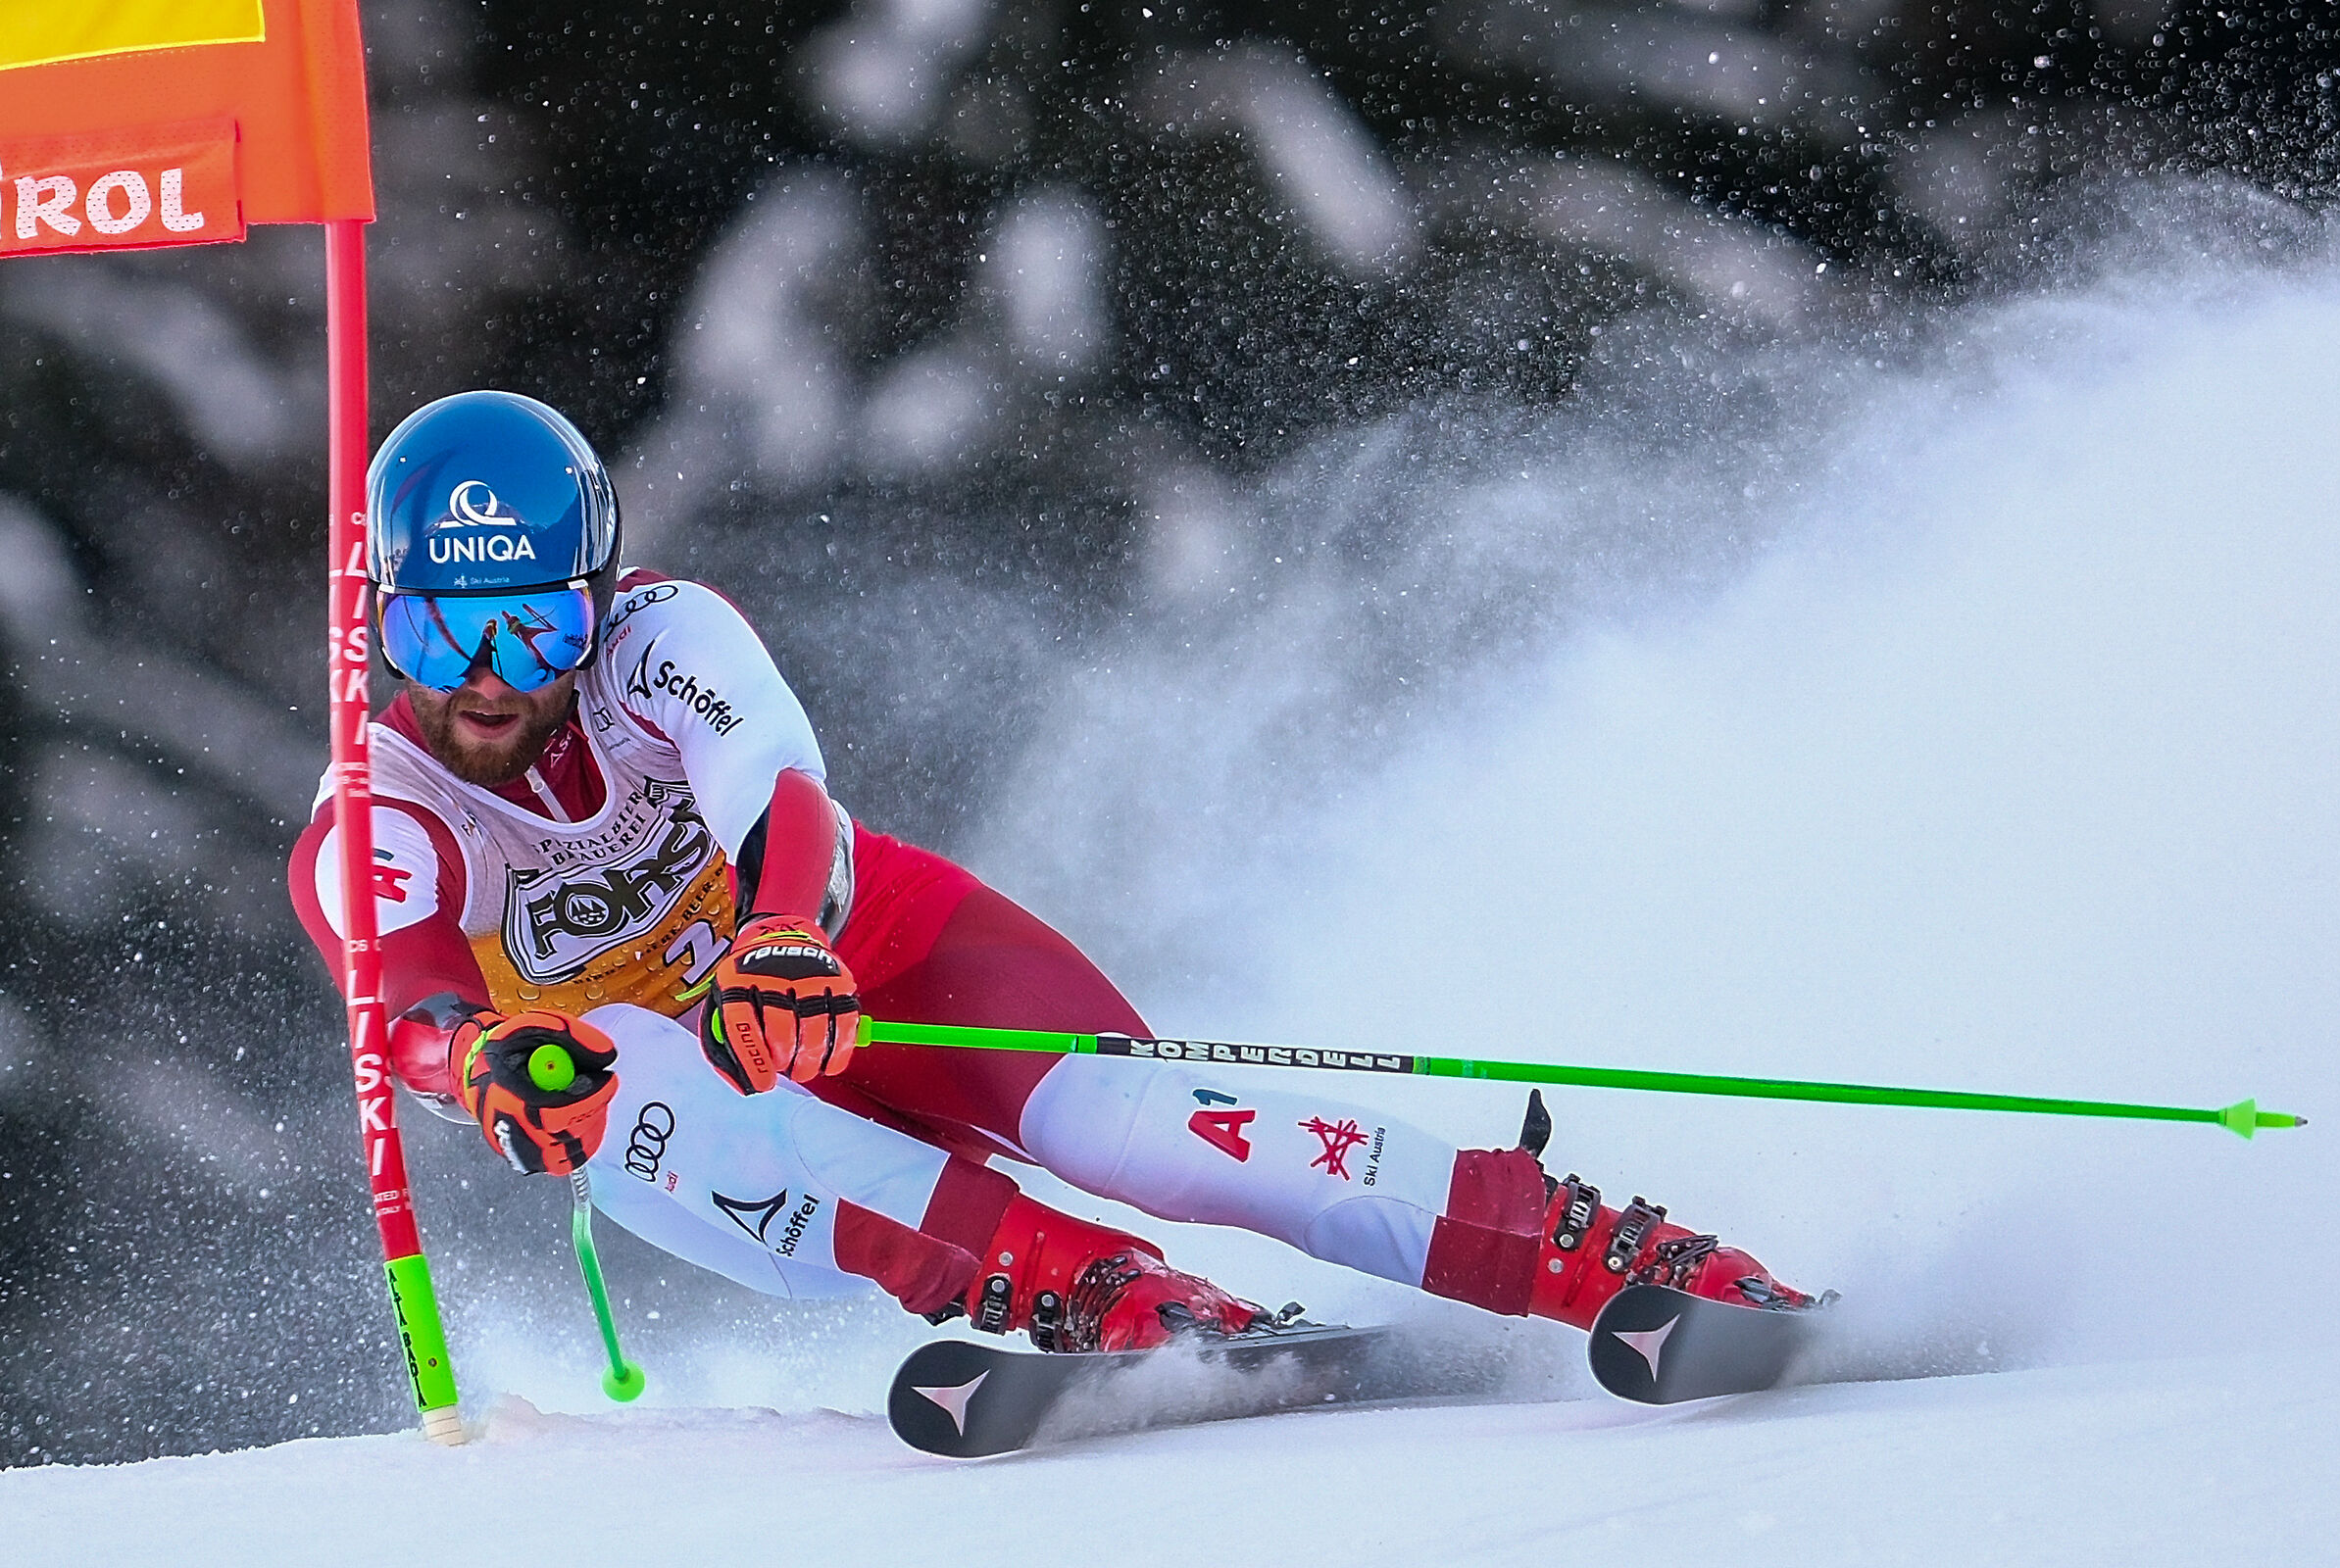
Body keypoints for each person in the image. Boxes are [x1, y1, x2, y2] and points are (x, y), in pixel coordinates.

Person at [288, 390, 1812, 1356]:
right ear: (379, 622)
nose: (488, 677)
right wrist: (478, 1058)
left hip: (860, 961)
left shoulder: (665, 639)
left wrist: (781, 939)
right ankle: (1089, 1291)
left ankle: (1586, 1252)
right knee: (616, 1055)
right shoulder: (376, 810)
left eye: (536, 627)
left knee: (1147, 1130)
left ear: (599, 601)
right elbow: (406, 1001)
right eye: (440, 631)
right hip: (709, 1128)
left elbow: (777, 789)